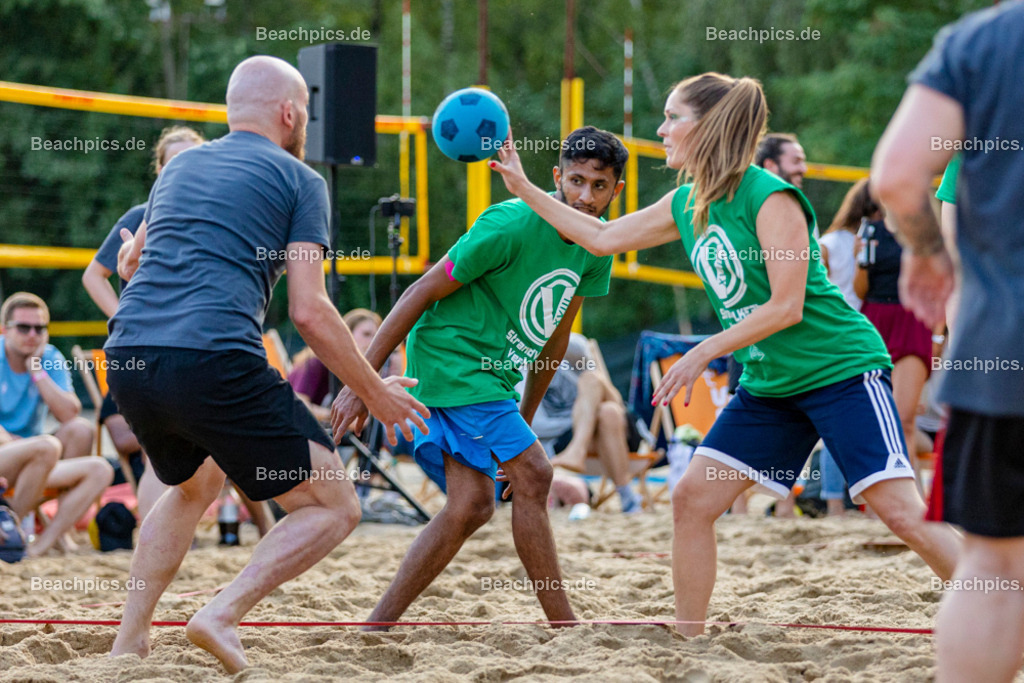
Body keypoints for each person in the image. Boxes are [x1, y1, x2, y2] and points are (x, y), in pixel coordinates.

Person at [492, 71, 961, 636]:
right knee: (691, 499)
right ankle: (689, 639)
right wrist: (522, 187)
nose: (661, 129)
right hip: (772, 384)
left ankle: (1002, 610)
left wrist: (704, 351)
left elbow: (787, 306)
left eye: (672, 117)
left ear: (707, 127)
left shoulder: (768, 196)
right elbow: (601, 238)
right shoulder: (687, 201)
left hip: (840, 369)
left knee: (902, 513)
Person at [105, 55, 427, 673]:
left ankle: (128, 641)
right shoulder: (301, 179)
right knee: (336, 504)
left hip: (129, 356)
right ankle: (220, 613)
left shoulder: (179, 167)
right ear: (289, 113)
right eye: (302, 111)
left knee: (192, 484)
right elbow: (310, 310)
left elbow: (130, 264)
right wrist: (375, 392)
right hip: (213, 356)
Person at [331, 125, 627, 630]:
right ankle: (565, 625)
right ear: (555, 177)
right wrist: (364, 382)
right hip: (451, 356)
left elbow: (555, 338)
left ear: (616, 190)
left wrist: (524, 420)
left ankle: (376, 626)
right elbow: (419, 292)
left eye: (599, 187)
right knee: (537, 474)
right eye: (575, 181)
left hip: (493, 378)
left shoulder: (596, 246)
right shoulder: (509, 223)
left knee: (471, 506)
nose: (585, 196)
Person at [871, 4, 1024, 681]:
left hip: (1004, 348)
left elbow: (898, 176)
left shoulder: (986, 39)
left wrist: (926, 252)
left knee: (994, 564)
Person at [83, 125, 205, 519]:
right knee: (160, 452)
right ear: (161, 170)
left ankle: (252, 537)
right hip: (148, 351)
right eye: (176, 161)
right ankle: (152, 552)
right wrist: (125, 315)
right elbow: (92, 276)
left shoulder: (211, 220)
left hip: (192, 350)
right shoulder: (143, 216)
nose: (185, 168)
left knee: (214, 452)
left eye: (193, 159)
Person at [523, 333, 644, 514]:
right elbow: (531, 424)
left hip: (618, 431)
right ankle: (628, 497)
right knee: (608, 413)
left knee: (595, 383)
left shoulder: (571, 345)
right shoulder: (517, 359)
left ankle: (577, 450)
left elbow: (607, 392)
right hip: (566, 436)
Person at [817, 178, 879, 516]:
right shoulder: (836, 243)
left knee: (839, 426)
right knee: (841, 424)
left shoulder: (832, 242)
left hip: (846, 334)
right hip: (852, 333)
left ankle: (836, 503)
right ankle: (837, 502)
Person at [0, 293, 94, 460]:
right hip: (5, 448)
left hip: (37, 450)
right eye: (23, 327)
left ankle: (54, 484)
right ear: (4, 330)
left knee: (81, 430)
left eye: (39, 328)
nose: (32, 335)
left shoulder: (49, 356)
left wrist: (36, 370)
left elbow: (69, 414)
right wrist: (10, 443)